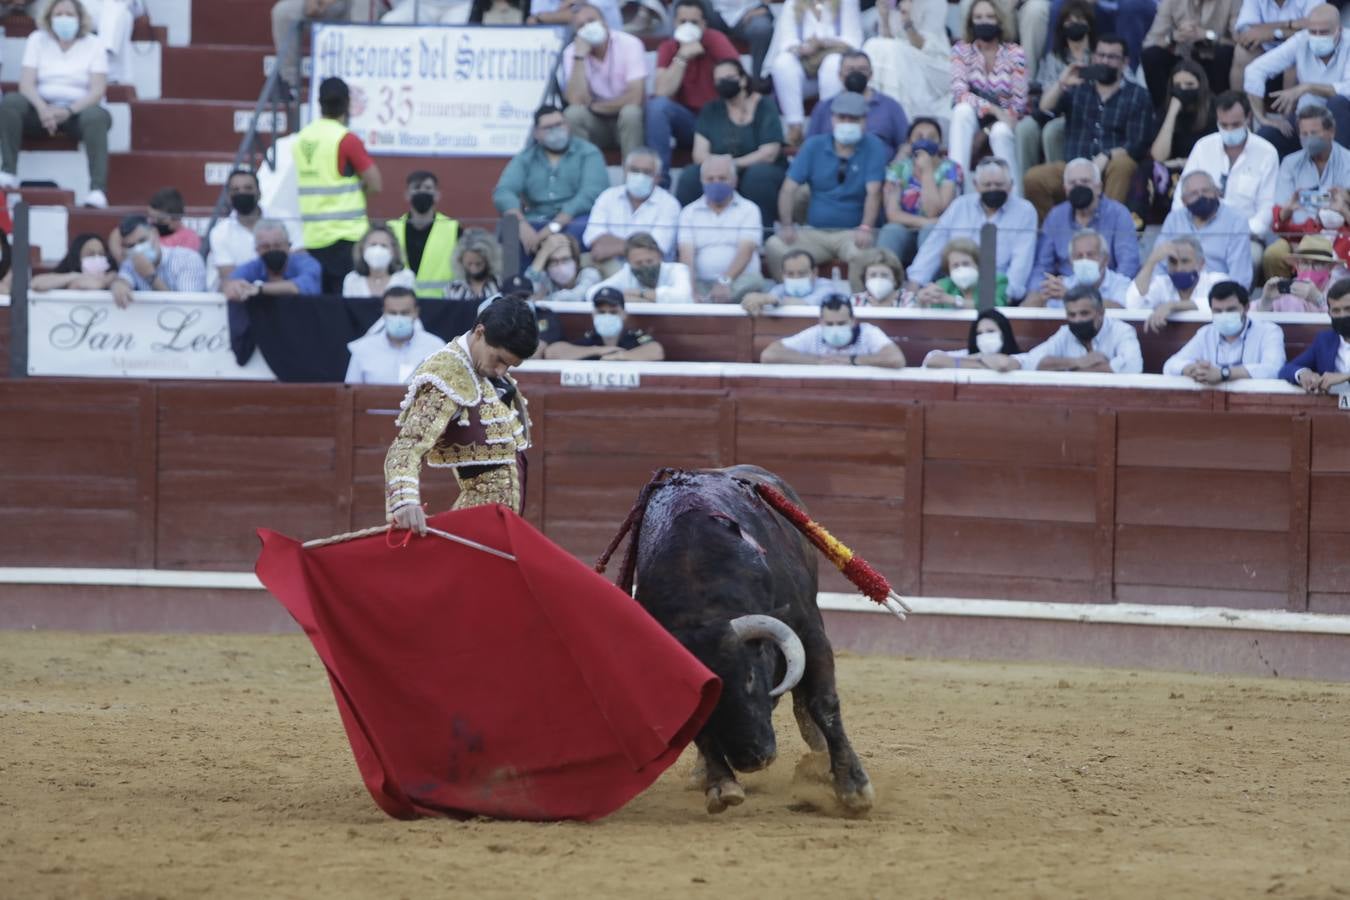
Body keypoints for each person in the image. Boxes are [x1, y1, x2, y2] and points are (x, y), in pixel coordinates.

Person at [385, 297, 538, 530]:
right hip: (475, 524)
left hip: (497, 525)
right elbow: (407, 445)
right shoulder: (447, 373)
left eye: (509, 366)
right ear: (479, 332)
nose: (501, 371)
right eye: (499, 360)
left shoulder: (482, 367)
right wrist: (404, 501)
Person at [1024, 33, 1155, 221]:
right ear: (1093, 57)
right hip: (1074, 166)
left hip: (1111, 168)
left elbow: (1138, 144)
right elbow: (1043, 111)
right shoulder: (1078, 87)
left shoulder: (1138, 95)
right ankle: (1055, 232)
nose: (1104, 61)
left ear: (1125, 62)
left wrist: (1107, 155)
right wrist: (1061, 84)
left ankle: (1106, 227)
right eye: (1100, 55)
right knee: (1034, 178)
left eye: (1112, 57)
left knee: (1124, 163)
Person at [0, 0, 113, 208]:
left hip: (77, 113)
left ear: (80, 18)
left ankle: (98, 190)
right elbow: (26, 83)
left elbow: (97, 90)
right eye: (58, 14)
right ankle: (7, 172)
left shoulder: (94, 44)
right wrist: (44, 109)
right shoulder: (37, 40)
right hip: (40, 110)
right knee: (11, 103)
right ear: (49, 17)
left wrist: (67, 111)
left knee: (97, 116)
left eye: (69, 14)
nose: (64, 19)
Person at [764, 91, 885, 279]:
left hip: (852, 234)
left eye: (854, 119)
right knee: (774, 246)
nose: (847, 122)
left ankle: (859, 304)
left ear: (864, 121)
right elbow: (789, 188)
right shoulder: (814, 145)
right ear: (832, 119)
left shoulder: (874, 146)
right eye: (842, 117)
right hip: (815, 233)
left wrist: (866, 227)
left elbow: (874, 192)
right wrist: (787, 225)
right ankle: (788, 298)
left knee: (864, 256)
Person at [1173, 91, 1279, 271]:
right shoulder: (1203, 147)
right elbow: (1181, 197)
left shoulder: (1267, 153)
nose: (1229, 131)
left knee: (1251, 258)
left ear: (1248, 117)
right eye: (1224, 125)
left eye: (1235, 125)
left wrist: (1237, 232)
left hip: (1245, 238)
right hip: (1199, 234)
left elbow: (1267, 209)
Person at [294, 77, 382, 295]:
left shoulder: (301, 138)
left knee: (322, 307)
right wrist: (358, 189)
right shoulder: (346, 139)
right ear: (347, 103)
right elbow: (375, 183)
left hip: (314, 237)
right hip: (347, 236)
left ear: (319, 102)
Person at [906, 157, 1037, 302]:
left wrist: (1005, 296)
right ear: (976, 185)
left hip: (997, 287)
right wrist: (914, 285)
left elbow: (1021, 262)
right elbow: (933, 247)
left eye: (999, 185)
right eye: (987, 185)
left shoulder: (1025, 211)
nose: (993, 189)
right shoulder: (960, 206)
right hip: (955, 285)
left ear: (1011, 185)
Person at [675, 58, 786, 227]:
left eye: (729, 77)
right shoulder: (711, 109)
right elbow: (699, 154)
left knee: (758, 176)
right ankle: (684, 234)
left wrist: (732, 164)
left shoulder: (765, 106)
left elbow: (769, 152)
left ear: (742, 79)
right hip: (719, 170)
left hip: (758, 169)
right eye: (719, 80)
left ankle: (763, 234)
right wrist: (721, 169)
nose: (724, 83)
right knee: (690, 175)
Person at [492, 105, 608, 254]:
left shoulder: (588, 153)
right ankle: (518, 278)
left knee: (581, 228)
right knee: (509, 228)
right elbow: (504, 191)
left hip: (573, 219)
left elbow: (591, 193)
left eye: (559, 124)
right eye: (548, 127)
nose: (556, 131)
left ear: (567, 125)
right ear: (536, 133)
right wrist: (520, 223)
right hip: (536, 219)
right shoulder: (526, 158)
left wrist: (554, 226)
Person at [646, 0, 740, 182]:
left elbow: (736, 78)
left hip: (717, 121)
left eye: (694, 22)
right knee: (657, 107)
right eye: (683, 22)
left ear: (704, 24)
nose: (688, 27)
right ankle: (660, 181)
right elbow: (662, 92)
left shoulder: (715, 39)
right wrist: (682, 56)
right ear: (674, 24)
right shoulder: (668, 47)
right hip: (688, 123)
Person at [1027, 156, 1141, 301]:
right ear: (1065, 189)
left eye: (1085, 182)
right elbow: (1042, 265)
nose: (1078, 187)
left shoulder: (1118, 214)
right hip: (1063, 293)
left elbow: (1128, 264)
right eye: (1073, 183)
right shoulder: (1056, 216)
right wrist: (1036, 291)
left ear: (1098, 187)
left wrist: (1114, 291)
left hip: (1107, 293)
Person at [1244, 4, 1350, 156]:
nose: (1317, 37)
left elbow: (1348, 89)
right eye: (1313, 32)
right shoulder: (1301, 40)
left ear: (1339, 30)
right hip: (1306, 119)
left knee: (1338, 102)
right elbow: (1254, 70)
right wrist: (1262, 118)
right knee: (1266, 137)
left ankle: (1340, 171)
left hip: (1342, 121)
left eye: (1324, 32)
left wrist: (1307, 87)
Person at [948, 0, 1028, 196]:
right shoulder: (961, 50)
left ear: (1000, 21)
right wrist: (992, 109)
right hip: (978, 116)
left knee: (1000, 131)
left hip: (1006, 121)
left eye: (990, 17)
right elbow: (960, 93)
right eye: (979, 17)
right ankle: (956, 190)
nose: (984, 22)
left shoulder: (1015, 53)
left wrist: (988, 127)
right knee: (961, 111)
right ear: (971, 22)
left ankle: (1014, 197)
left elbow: (1018, 105)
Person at [1264, 104, 1350, 277]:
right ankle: (1284, 301)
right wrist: (1287, 210)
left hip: (1340, 237)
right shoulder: (1290, 163)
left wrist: (1342, 208)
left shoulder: (1348, 161)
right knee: (1273, 255)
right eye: (1304, 134)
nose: (1309, 139)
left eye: (1314, 133)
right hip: (1297, 236)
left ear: (1331, 132)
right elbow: (1279, 217)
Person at [765, 0, 864, 144]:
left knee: (832, 62)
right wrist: (803, 48)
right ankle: (795, 126)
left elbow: (854, 41)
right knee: (783, 62)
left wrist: (823, 43)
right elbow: (786, 42)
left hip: (835, 70)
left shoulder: (846, 2)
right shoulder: (792, 3)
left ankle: (826, 124)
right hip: (805, 70)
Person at [1015, 0, 1095, 176]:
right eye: (1069, 21)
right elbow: (1044, 103)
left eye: (1080, 19)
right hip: (1055, 111)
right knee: (1025, 128)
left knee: (1053, 131)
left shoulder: (1100, 56)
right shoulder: (1054, 57)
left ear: (1089, 24)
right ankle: (1025, 189)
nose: (1074, 25)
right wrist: (1062, 83)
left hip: (1086, 114)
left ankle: (1059, 186)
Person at [562, 4, 648, 162]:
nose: (588, 27)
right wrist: (580, 57)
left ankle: (632, 174)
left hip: (627, 121)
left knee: (631, 112)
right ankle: (585, 173)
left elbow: (635, 97)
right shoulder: (572, 52)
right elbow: (575, 101)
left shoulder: (630, 43)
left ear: (605, 23)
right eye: (581, 25)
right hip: (597, 124)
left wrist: (595, 106)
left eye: (591, 20)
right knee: (572, 114)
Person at [677, 154, 766, 301]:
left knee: (754, 282)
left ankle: (710, 302)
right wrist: (690, 290)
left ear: (734, 181)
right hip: (701, 283)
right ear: (702, 181)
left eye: (722, 178)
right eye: (710, 179)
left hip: (739, 282)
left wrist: (725, 281)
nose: (716, 183)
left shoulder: (749, 209)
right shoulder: (689, 212)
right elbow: (686, 256)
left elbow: (746, 251)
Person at [583, 147, 682, 276]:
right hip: (608, 268)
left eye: (646, 172)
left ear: (657, 178)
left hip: (649, 273)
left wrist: (611, 246)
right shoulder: (607, 196)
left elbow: (655, 249)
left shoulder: (669, 204)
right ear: (624, 171)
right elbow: (593, 240)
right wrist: (639, 246)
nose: (640, 176)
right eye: (634, 170)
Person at [1162, 279, 1287, 382]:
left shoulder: (1269, 331)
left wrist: (1224, 373)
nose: (1224, 315)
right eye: (1217, 311)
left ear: (1246, 307)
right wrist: (1192, 369)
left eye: (1231, 310)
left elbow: (1274, 369)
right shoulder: (1206, 333)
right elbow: (1170, 365)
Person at [877, 117, 962, 265]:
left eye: (931, 137)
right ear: (909, 142)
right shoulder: (897, 169)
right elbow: (892, 214)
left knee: (930, 230)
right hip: (904, 229)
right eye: (919, 136)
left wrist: (927, 171)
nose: (925, 140)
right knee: (891, 230)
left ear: (940, 143)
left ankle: (929, 284)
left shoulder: (951, 168)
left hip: (937, 231)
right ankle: (885, 278)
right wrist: (924, 222)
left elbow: (933, 212)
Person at [1004, 283, 1144, 372]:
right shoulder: (1066, 333)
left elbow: (1132, 366)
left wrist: (1070, 369)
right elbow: (1033, 361)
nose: (1078, 320)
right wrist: (1078, 362)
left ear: (1100, 312)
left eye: (1084, 313)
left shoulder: (1121, 331)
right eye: (1072, 315)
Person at [804, 51, 909, 158]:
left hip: (881, 171)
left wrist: (894, 169)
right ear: (840, 75)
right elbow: (810, 147)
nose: (856, 73)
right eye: (850, 69)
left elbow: (905, 144)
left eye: (862, 69)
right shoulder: (824, 107)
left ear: (871, 74)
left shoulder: (890, 106)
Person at [1158, 170, 1254, 287]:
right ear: (1184, 201)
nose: (1201, 197)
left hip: (1217, 294)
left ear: (1216, 192)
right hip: (1177, 290)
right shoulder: (1174, 219)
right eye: (1194, 193)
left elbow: (1240, 277)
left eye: (1206, 191)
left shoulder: (1236, 221)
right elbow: (1159, 264)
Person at [862, 0, 952, 121]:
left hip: (933, 62)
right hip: (898, 56)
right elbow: (886, 41)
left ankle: (897, 115)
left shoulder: (936, 3)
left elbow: (925, 48)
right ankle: (878, 112)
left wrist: (907, 21)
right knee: (872, 45)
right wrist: (884, 18)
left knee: (892, 49)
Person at [1140, 0, 1240, 107]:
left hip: (1214, 61)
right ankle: (1164, 112)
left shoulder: (1232, 2)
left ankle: (1222, 110)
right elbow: (1150, 43)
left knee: (1225, 53)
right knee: (1151, 55)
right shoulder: (1171, 2)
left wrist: (1207, 35)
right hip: (1182, 58)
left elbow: (1240, 39)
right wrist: (1173, 37)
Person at [760, 294, 906, 367]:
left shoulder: (868, 332)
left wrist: (853, 360)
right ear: (821, 322)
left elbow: (896, 359)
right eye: (830, 324)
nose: (835, 328)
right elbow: (768, 355)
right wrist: (817, 361)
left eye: (841, 323)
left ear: (853, 321)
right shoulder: (815, 333)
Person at [345, 286, 447, 385]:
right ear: (384, 313)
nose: (398, 318)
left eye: (404, 313)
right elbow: (350, 392)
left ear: (416, 312)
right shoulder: (363, 349)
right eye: (393, 313)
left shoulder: (436, 347)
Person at [1126, 235, 1230, 331]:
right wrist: (1152, 261)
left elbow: (1223, 303)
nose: (1178, 268)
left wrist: (1173, 306)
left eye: (1185, 261)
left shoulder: (1217, 280)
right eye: (1173, 262)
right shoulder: (1162, 283)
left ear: (1200, 264)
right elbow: (1133, 305)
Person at [270, 0, 370, 98]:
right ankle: (289, 84)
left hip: (349, 5)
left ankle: (361, 81)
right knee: (282, 12)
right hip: (324, 6)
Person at [387, 171, 460, 300]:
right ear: (407, 195)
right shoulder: (391, 229)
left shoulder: (454, 228)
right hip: (399, 304)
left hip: (442, 304)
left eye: (427, 188)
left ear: (437, 195)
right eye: (416, 188)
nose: (422, 192)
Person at [109, 214, 207, 307]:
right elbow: (124, 280)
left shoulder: (187, 259)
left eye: (142, 241)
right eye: (131, 246)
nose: (138, 249)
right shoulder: (130, 263)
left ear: (155, 234)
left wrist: (151, 277)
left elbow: (187, 309)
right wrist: (118, 285)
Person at [545, 286, 667, 360]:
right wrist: (597, 350)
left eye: (613, 312)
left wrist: (619, 356)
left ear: (624, 314)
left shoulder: (634, 338)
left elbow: (656, 351)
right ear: (593, 315)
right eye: (601, 312)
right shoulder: (589, 340)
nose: (607, 316)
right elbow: (552, 352)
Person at [1025, 227, 1134, 306]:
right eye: (1079, 256)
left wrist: (1072, 296)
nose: (1084, 260)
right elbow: (1023, 313)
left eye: (1090, 255)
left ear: (1105, 260)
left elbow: (1120, 308)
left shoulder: (1121, 283)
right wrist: (1040, 298)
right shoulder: (1064, 286)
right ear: (1071, 262)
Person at [207, 167, 276, 291]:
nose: (242, 193)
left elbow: (297, 265)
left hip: (279, 295)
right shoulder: (220, 232)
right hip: (238, 300)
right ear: (228, 197)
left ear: (259, 192)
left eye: (248, 188)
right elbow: (230, 278)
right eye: (236, 190)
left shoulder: (283, 221)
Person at [221, 218, 323, 302]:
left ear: (289, 246)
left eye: (277, 245)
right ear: (257, 250)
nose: (272, 250)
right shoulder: (254, 267)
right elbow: (230, 283)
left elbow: (298, 287)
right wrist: (234, 287)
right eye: (266, 247)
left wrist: (259, 289)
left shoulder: (308, 264)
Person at [1280, 275, 1350, 391]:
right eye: (1336, 311)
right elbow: (1287, 369)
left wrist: (1346, 376)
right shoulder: (1325, 340)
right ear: (1329, 313)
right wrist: (1303, 374)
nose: (1342, 315)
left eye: (1348, 309)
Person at [1149, 60, 1219, 170]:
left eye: (1190, 84)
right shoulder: (1165, 111)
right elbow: (1158, 157)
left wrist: (1183, 163)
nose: (1183, 89)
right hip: (1173, 171)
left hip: (1207, 169)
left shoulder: (1216, 108)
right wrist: (1172, 114)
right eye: (1177, 85)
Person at [1231, 0, 1315, 90]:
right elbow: (1245, 30)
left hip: (1298, 47)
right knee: (1242, 53)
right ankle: (1241, 102)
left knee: (1295, 59)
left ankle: (1288, 103)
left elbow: (1314, 30)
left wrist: (1274, 33)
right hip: (1264, 47)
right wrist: (1289, 24)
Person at [589, 231, 694, 302]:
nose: (645, 267)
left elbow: (683, 296)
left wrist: (640, 294)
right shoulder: (627, 273)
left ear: (660, 256)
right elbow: (592, 293)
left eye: (649, 261)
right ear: (629, 262)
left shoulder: (677, 269)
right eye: (638, 263)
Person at [913, 237, 1009, 307]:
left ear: (978, 265)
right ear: (949, 271)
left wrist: (953, 300)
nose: (961, 269)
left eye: (966, 264)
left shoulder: (996, 280)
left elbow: (993, 306)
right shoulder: (944, 285)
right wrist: (922, 301)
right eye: (955, 266)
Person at [740, 247, 839, 314]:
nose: (795, 278)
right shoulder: (779, 289)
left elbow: (807, 303)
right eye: (790, 274)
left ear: (814, 273)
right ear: (783, 275)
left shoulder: (827, 287)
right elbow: (768, 300)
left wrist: (773, 301)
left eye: (802, 273)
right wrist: (754, 300)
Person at [1259, 234, 1342, 310]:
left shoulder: (1341, 291)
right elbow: (1255, 319)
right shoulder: (1287, 289)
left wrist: (1319, 300)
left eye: (1317, 263)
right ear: (1297, 266)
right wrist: (1266, 301)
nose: (1310, 269)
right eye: (1305, 263)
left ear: (1330, 267)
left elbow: (1343, 321)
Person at [923, 308, 1022, 367]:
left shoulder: (1021, 358)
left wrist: (965, 362)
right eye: (979, 333)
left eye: (990, 331)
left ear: (1004, 333)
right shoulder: (967, 354)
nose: (984, 336)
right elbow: (932, 359)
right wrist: (978, 358)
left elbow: (1002, 364)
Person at [703, 0, 774, 79]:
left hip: (749, 12)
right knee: (694, 13)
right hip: (714, 13)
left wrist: (765, 8)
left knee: (761, 29)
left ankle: (757, 83)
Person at [524, 232, 603, 302]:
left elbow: (575, 297)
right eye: (553, 261)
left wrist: (543, 300)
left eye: (565, 259)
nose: (560, 266)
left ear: (575, 260)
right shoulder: (546, 279)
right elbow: (525, 292)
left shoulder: (590, 274)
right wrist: (543, 253)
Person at [343, 225, 415, 298]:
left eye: (384, 246)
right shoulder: (352, 279)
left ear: (394, 251)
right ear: (362, 249)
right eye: (373, 245)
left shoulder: (405, 277)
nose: (377, 250)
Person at [30, 232, 116, 291]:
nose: (97, 259)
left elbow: (91, 285)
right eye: (90, 254)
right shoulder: (68, 275)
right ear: (77, 258)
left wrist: (103, 282)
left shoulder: (112, 276)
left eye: (101, 254)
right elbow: (36, 284)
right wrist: (75, 276)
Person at [445, 230, 503, 303]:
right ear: (460, 261)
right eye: (469, 264)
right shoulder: (453, 289)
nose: (474, 268)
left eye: (478, 263)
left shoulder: (501, 285)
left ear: (488, 260)